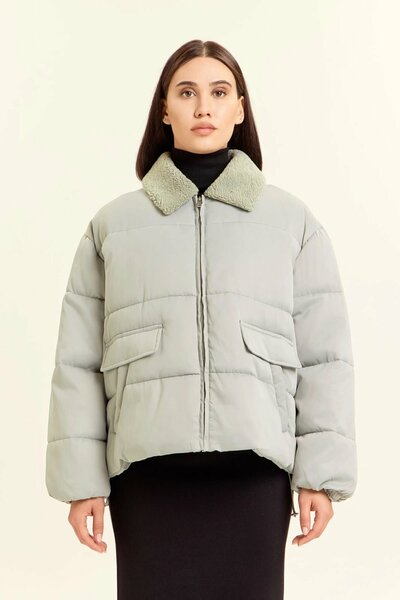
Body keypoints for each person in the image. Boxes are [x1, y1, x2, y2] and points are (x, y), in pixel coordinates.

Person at [45, 39, 357, 599]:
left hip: (253, 469)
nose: (204, 107)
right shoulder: (113, 226)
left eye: (219, 92)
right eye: (187, 93)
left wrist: (321, 474)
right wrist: (81, 481)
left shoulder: (292, 222)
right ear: (164, 110)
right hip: (147, 471)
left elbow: (324, 356)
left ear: (240, 108)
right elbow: (78, 361)